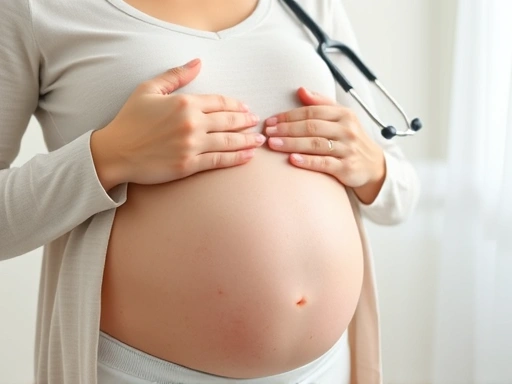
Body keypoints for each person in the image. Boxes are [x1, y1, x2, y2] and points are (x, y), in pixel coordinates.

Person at [0, 0, 420, 383]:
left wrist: (372, 167)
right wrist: (107, 156)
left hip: (326, 369)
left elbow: (400, 192)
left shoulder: (309, 5)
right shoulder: (33, 9)